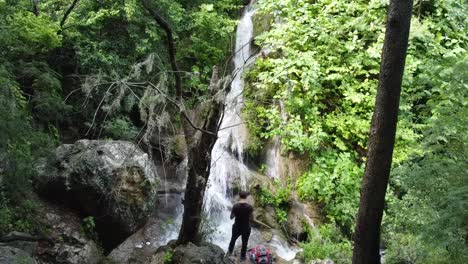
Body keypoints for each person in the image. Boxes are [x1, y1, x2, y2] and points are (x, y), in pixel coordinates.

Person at [227, 190, 253, 261]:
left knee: (233, 239)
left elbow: (231, 217)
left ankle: (229, 252)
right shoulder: (250, 207)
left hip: (237, 227)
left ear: (239, 196)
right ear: (246, 197)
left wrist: (235, 213)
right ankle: (242, 256)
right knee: (245, 242)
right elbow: (252, 218)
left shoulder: (235, 206)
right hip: (246, 227)